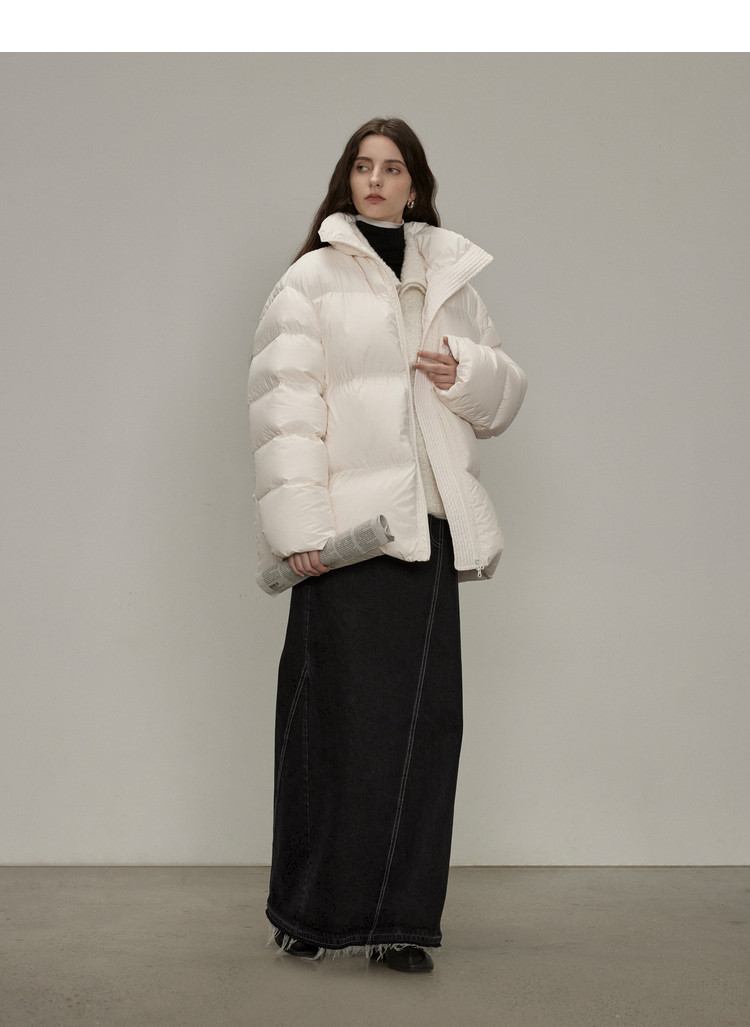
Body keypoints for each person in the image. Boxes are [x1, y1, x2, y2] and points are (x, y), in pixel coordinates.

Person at [248, 117, 527, 974]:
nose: (376, 179)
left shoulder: (451, 281)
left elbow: (504, 391)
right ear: (348, 179)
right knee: (330, 725)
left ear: (415, 185)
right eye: (363, 166)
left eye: (392, 167)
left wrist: (467, 372)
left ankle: (402, 921)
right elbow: (286, 405)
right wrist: (301, 533)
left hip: (426, 528)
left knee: (423, 732)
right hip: (345, 537)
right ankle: (308, 911)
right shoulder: (310, 280)